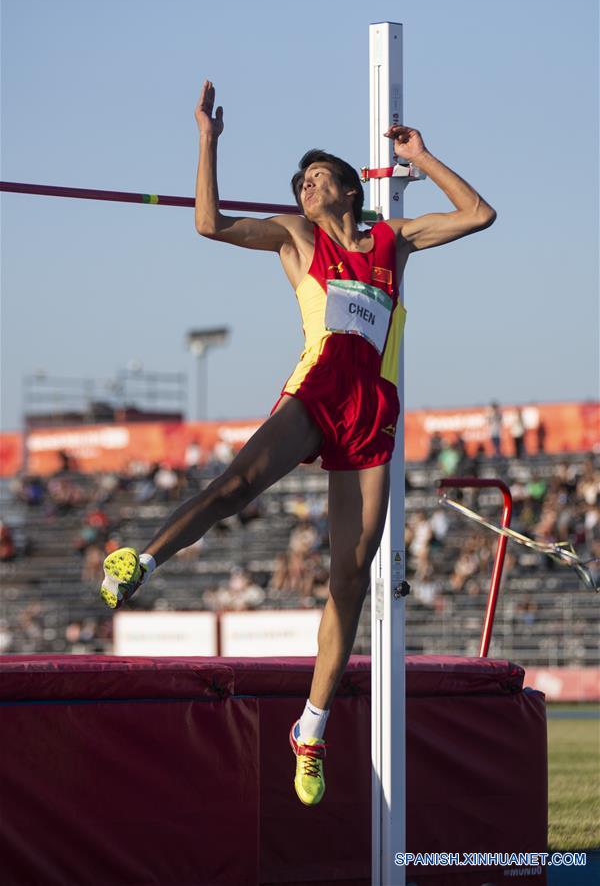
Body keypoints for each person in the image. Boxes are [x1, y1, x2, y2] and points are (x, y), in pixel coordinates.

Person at [99, 80, 496, 805]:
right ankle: (142, 557)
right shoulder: (295, 234)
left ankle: (309, 730)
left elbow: (479, 214)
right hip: (315, 392)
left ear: (348, 188)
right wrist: (208, 142)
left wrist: (422, 155)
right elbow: (209, 225)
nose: (305, 187)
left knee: (351, 573)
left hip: (372, 408)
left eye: (317, 178)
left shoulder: (389, 240)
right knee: (236, 484)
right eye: (301, 182)